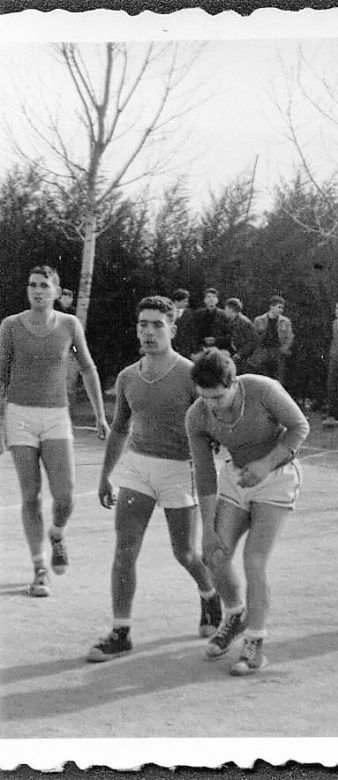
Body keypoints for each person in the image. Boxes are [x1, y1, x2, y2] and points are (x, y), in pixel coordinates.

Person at [87, 296, 220, 663]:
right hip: (138, 469)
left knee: (185, 553)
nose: (148, 332)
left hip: (179, 470)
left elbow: (213, 426)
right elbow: (119, 428)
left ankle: (210, 595)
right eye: (142, 325)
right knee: (124, 549)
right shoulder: (127, 377)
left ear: (172, 329)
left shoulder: (191, 374)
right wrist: (105, 476)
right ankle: (121, 632)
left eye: (157, 325)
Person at [186, 348, 310, 675]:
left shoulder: (261, 389)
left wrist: (266, 464)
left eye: (217, 397)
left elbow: (299, 427)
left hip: (277, 476)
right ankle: (235, 616)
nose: (211, 404)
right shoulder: (197, 415)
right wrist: (208, 529)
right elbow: (204, 474)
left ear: (233, 384)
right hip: (236, 478)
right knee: (214, 555)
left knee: (254, 560)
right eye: (204, 397)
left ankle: (255, 642)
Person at [0, 265, 109, 597]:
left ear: (57, 292)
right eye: (32, 284)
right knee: (30, 495)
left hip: (56, 415)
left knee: (65, 495)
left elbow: (88, 368)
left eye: (44, 285)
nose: (37, 290)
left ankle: (58, 533)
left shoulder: (69, 324)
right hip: (19, 415)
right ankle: (40, 568)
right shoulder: (10, 326)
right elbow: (1, 376)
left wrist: (100, 416)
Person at [251, 295, 294, 384]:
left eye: (282, 308)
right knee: (261, 377)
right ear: (271, 307)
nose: (281, 310)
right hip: (263, 351)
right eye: (279, 307)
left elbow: (290, 336)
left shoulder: (285, 321)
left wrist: (284, 348)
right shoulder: (259, 320)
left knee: (278, 378)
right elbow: (253, 336)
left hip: (277, 351)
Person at [192, 287, 233, 353]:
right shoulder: (198, 314)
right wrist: (203, 340)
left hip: (220, 349)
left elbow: (229, 335)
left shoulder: (224, 315)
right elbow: (193, 333)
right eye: (208, 297)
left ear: (217, 300)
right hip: (201, 349)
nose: (211, 299)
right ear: (204, 300)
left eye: (213, 297)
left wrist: (216, 340)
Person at [224, 298, 257, 372]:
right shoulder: (229, 321)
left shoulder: (245, 322)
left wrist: (240, 354)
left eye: (226, 308)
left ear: (231, 309)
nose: (225, 311)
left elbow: (252, 341)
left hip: (242, 358)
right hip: (232, 354)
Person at [170, 289, 196, 357]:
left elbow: (193, 333)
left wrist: (193, 350)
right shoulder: (168, 313)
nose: (186, 304)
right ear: (176, 301)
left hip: (185, 349)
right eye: (184, 301)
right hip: (171, 348)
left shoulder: (191, 314)